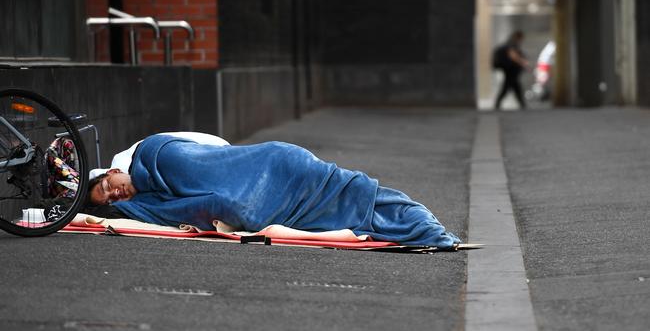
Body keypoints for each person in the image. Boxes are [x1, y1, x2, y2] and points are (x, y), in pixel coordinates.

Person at [87, 134, 461, 249]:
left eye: (106, 187)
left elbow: (222, 199)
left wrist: (138, 211)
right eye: (111, 201)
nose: (115, 195)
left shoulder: (159, 155)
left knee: (348, 191)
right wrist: (139, 207)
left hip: (275, 169)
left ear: (112, 170)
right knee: (349, 200)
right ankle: (421, 224)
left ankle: (420, 224)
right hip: (277, 171)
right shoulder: (155, 193)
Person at [493, 30, 530, 110]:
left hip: (510, 69)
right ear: (518, 37)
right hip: (510, 69)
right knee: (508, 86)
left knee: (514, 86)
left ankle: (522, 104)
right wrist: (523, 62)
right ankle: (498, 104)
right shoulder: (512, 43)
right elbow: (513, 55)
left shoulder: (509, 43)